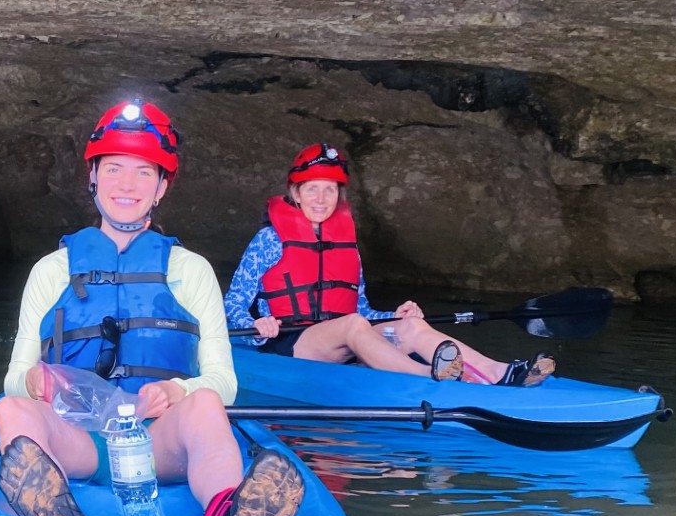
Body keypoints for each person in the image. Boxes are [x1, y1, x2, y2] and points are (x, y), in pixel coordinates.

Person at [0, 100, 308, 516]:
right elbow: (15, 376)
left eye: (144, 173)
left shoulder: (191, 271)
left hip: (160, 442)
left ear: (161, 188)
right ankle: (58, 515)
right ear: (93, 177)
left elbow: (223, 382)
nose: (126, 184)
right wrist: (35, 383)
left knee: (204, 404)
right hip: (79, 436)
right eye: (114, 168)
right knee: (9, 407)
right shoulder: (50, 272)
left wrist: (177, 389)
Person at [225, 143, 555, 386]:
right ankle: (430, 375)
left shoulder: (347, 248)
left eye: (330, 190)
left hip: (344, 341)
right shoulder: (269, 240)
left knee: (409, 327)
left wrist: (395, 316)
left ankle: (500, 372)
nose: (321, 199)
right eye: (312, 189)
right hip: (291, 344)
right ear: (295, 193)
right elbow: (233, 304)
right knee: (353, 325)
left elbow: (362, 311)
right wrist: (256, 326)